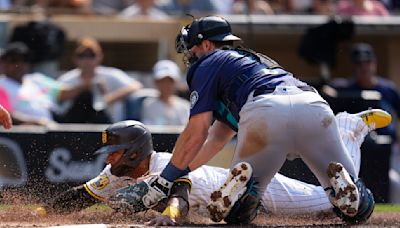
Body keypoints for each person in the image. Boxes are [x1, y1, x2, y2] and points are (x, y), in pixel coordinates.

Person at [106, 16, 386, 225]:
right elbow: (218, 137)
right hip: (312, 107)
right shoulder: (255, 62)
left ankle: (245, 191)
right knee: (356, 211)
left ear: (205, 44)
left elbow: (198, 130)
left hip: (265, 114)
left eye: (192, 49)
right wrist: (180, 173)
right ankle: (346, 149)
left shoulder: (208, 63)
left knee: (240, 213)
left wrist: (165, 179)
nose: (190, 56)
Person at [36, 110, 390, 225]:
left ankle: (349, 128)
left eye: (114, 152)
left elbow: (181, 196)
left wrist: (170, 216)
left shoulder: (166, 166)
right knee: (334, 206)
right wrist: (42, 212)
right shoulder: (115, 175)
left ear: (133, 153)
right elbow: (80, 196)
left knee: (337, 204)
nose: (108, 158)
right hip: (230, 206)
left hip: (253, 191)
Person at [329, 43, 400, 203]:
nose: (364, 67)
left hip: (389, 150)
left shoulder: (388, 89)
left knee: (396, 185)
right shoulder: (343, 88)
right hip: (356, 149)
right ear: (354, 66)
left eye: (367, 62)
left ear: (374, 64)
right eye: (359, 63)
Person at [0, 42, 90, 127]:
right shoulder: (2, 85)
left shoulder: (36, 79)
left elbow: (65, 93)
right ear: (4, 64)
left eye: (24, 60)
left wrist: (89, 84)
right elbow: (4, 114)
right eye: (14, 60)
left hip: (54, 123)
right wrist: (37, 122)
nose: (20, 64)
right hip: (24, 131)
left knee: (86, 97)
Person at [57, 37, 143, 123]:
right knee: (85, 96)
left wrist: (108, 98)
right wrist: (83, 88)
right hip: (75, 124)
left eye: (91, 55)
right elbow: (54, 96)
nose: (87, 60)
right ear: (75, 58)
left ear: (99, 57)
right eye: (82, 55)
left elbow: (136, 86)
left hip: (107, 124)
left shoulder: (111, 74)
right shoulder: (67, 79)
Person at [140, 60, 190, 126]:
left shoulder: (185, 106)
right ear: (156, 82)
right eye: (162, 81)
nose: (166, 85)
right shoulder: (148, 104)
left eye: (170, 81)